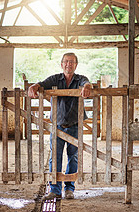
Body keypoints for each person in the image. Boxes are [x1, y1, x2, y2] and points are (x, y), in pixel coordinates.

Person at [28, 53, 92, 200]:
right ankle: (55, 190)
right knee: (55, 158)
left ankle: (69, 189)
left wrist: (87, 87)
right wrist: (34, 86)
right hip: (57, 126)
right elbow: (41, 84)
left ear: (76, 65)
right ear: (61, 64)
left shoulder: (80, 79)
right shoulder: (55, 79)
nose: (69, 64)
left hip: (75, 125)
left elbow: (87, 83)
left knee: (73, 157)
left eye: (72, 62)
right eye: (66, 61)